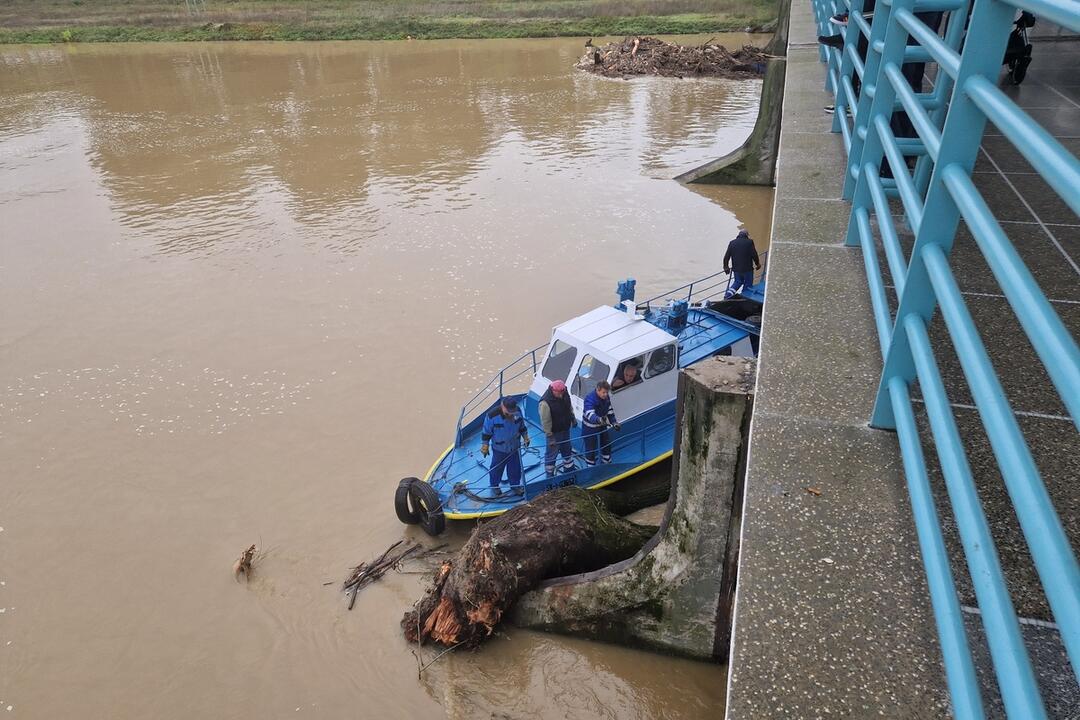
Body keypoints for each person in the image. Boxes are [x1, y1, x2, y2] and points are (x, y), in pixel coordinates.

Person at [480, 397, 530, 497]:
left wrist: (525, 437)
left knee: (515, 468)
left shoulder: (518, 411)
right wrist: (485, 445)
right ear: (503, 406)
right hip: (500, 449)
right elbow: (486, 432)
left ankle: (515, 486)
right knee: (496, 468)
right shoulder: (492, 416)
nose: (511, 414)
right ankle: (495, 486)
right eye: (508, 412)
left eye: (512, 412)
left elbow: (522, 426)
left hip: (515, 447)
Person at [539, 380, 576, 477]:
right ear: (553, 390)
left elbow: (569, 407)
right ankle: (550, 475)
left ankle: (569, 470)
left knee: (567, 450)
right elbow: (545, 421)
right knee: (551, 454)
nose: (561, 395)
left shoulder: (564, 393)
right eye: (559, 393)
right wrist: (550, 436)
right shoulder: (545, 403)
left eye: (562, 392)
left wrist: (573, 418)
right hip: (554, 433)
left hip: (565, 429)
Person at [582, 381, 620, 466]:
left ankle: (606, 464)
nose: (605, 394)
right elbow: (589, 414)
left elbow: (610, 411)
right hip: (590, 429)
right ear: (597, 390)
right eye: (604, 392)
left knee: (606, 445)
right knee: (590, 449)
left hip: (602, 426)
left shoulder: (606, 398)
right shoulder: (589, 398)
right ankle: (591, 468)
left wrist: (614, 422)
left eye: (607, 392)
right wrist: (598, 419)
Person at [723, 229, 761, 297]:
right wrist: (757, 264)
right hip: (747, 269)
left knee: (737, 282)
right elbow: (754, 254)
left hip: (736, 269)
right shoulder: (749, 242)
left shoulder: (732, 243)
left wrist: (726, 267)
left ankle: (728, 295)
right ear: (746, 235)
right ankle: (744, 297)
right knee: (747, 284)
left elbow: (726, 256)